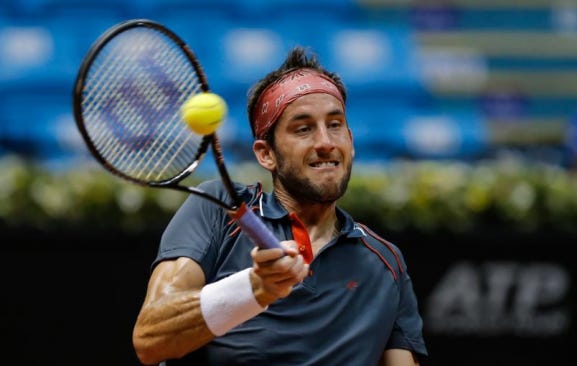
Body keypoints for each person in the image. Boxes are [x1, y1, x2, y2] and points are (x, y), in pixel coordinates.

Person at [132, 46, 428, 365]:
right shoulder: (217, 211)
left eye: (335, 124)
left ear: (351, 142)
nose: (326, 141)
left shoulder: (385, 263)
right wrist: (255, 288)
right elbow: (151, 337)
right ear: (266, 154)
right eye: (303, 128)